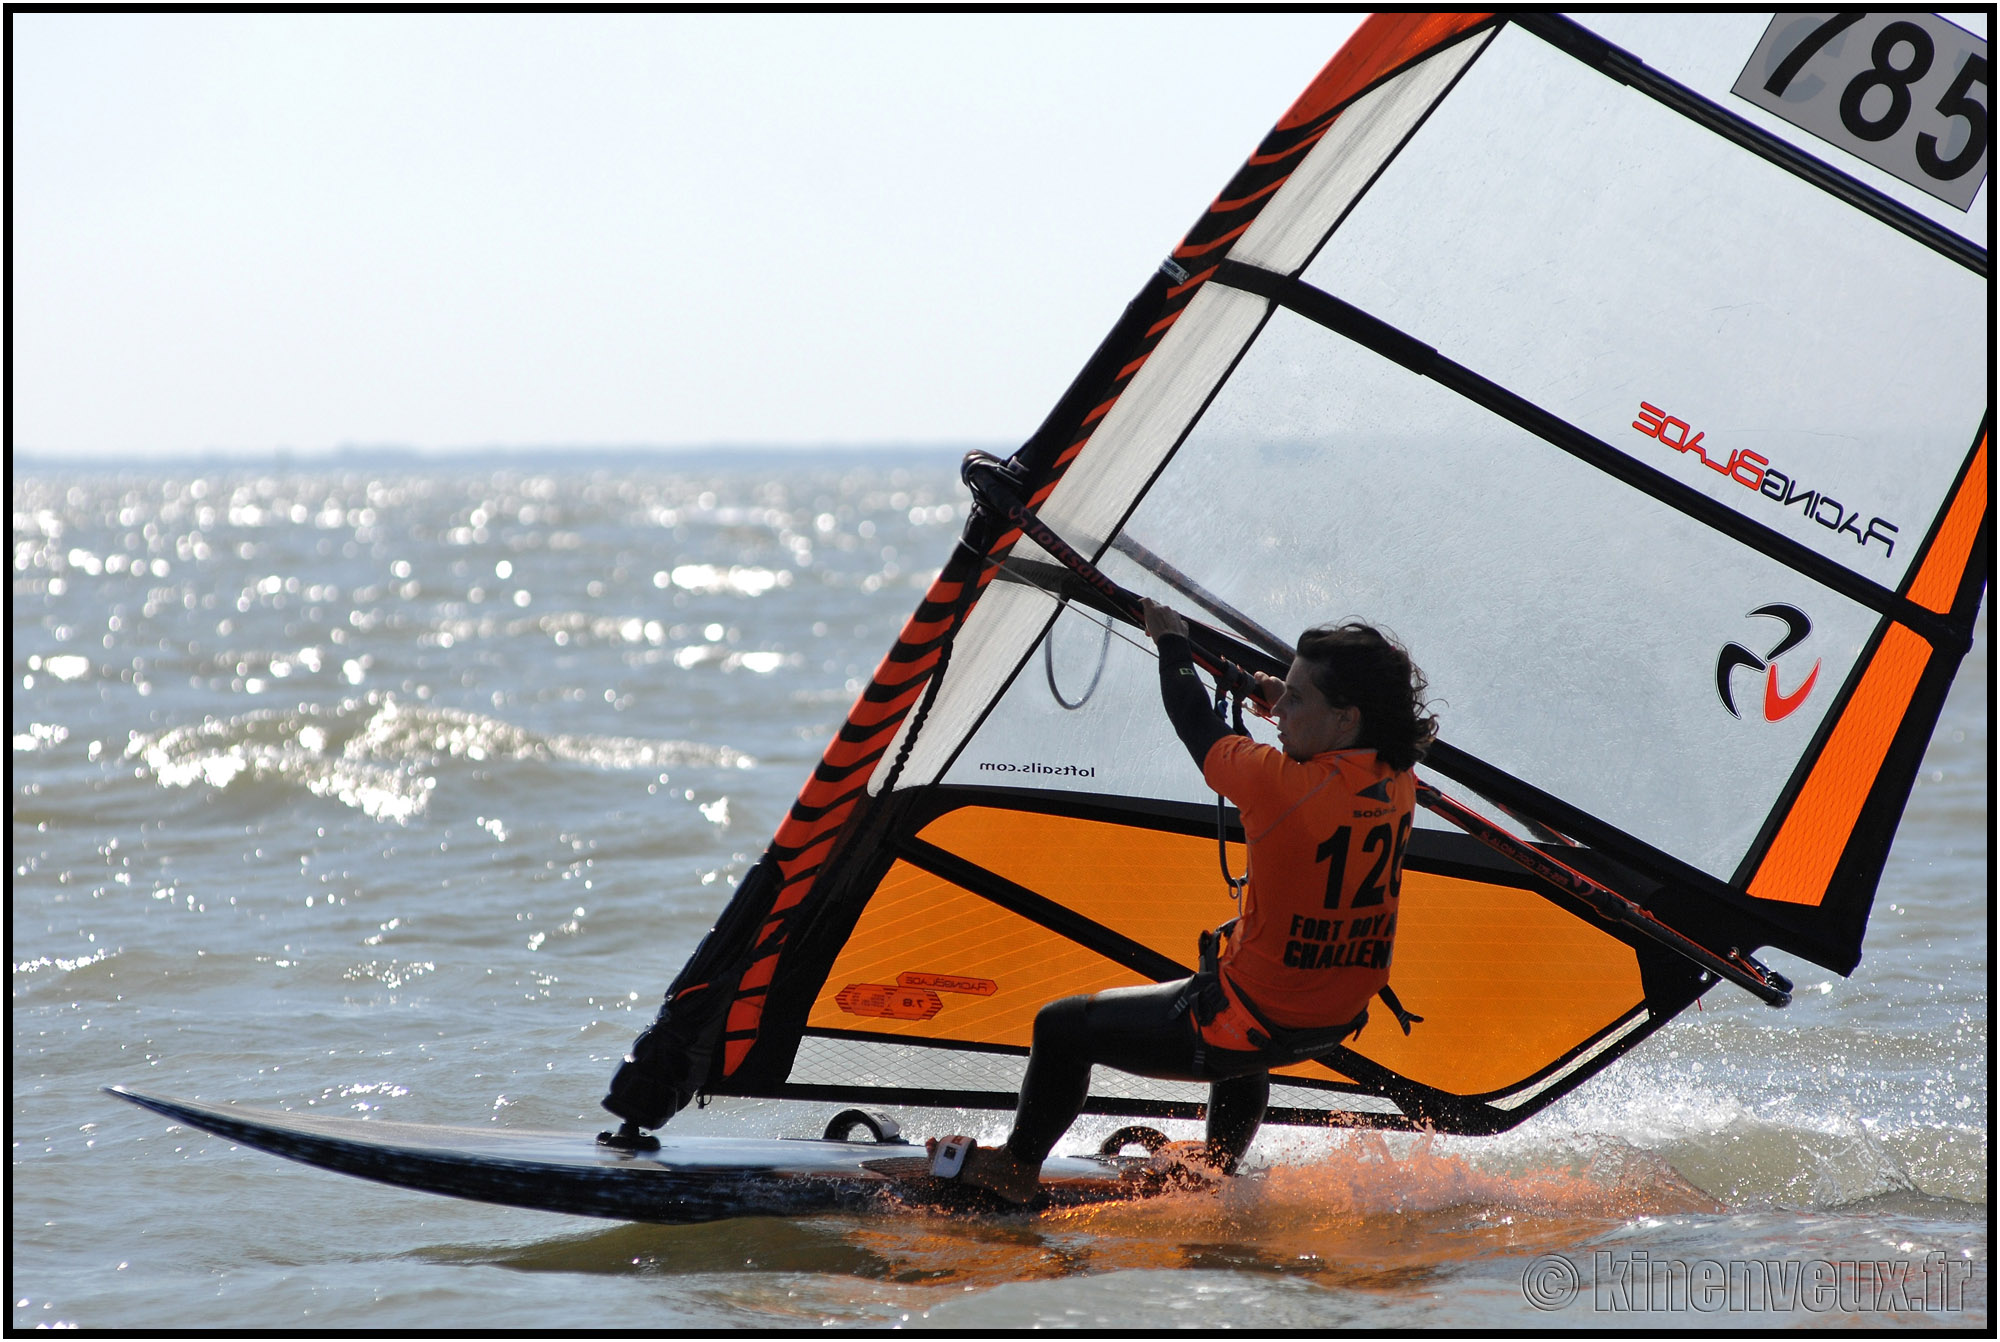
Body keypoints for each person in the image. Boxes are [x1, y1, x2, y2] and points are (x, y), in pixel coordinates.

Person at [927, 599, 1437, 1202]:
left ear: (1347, 719)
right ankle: (1218, 1165)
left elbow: (1195, 719)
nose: (1281, 715)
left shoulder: (1280, 785)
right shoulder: (1399, 776)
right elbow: (1338, 739)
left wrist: (1171, 643)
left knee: (1061, 1027)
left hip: (1254, 1021)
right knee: (1237, 981)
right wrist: (1280, 697)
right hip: (1333, 1019)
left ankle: (1014, 1168)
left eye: (1296, 702)